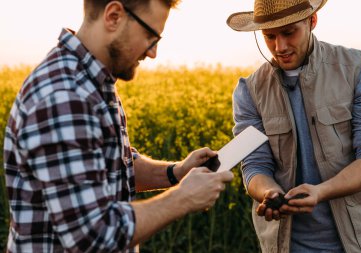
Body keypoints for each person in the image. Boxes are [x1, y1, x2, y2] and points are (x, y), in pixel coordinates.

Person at [3, 0, 234, 252]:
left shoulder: (91, 81)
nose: (152, 52)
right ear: (114, 16)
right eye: (150, 36)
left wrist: (176, 172)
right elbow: (94, 236)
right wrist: (183, 198)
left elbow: (113, 166)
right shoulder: (65, 95)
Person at [227, 0, 361, 252]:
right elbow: (254, 165)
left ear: (312, 21)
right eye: (269, 36)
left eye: (289, 33)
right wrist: (269, 193)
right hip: (287, 245)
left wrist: (322, 191)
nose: (280, 47)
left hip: (360, 242)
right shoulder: (249, 92)